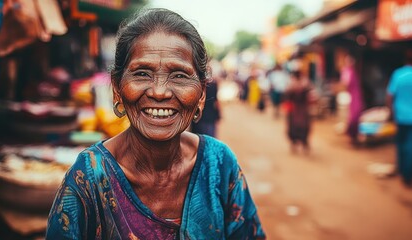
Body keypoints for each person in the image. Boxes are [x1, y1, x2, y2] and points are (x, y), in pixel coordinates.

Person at [46, 8, 265, 239]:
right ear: (118, 89)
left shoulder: (219, 165)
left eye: (179, 75)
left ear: (201, 94)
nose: (159, 92)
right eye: (141, 73)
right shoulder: (88, 178)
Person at [386, 49, 412, 186]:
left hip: (401, 115)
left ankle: (404, 170)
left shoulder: (398, 74)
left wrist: (391, 112)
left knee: (401, 143)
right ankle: (409, 173)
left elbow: (390, 95)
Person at [285, 71, 315, 153]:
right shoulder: (291, 84)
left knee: (304, 127)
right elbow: (287, 96)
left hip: (303, 110)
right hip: (295, 110)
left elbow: (311, 95)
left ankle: (304, 143)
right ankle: (295, 143)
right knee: (293, 127)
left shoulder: (305, 84)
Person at [340, 54, 364, 145]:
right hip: (352, 97)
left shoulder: (352, 71)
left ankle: (354, 136)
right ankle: (352, 136)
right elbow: (345, 84)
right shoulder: (347, 71)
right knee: (353, 117)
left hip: (355, 96)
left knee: (356, 116)